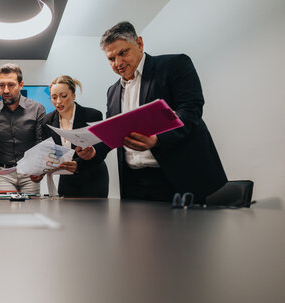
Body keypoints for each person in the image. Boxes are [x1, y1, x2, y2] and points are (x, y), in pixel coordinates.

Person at [100, 21, 227, 203]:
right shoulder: (112, 91)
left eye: (123, 53)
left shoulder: (175, 64)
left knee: (188, 232)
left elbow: (190, 110)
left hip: (179, 176)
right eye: (111, 59)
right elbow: (113, 132)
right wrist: (91, 152)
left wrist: (158, 139)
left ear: (139, 44)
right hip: (134, 182)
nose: (118, 63)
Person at [30, 75, 110, 197]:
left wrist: (79, 165)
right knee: (65, 215)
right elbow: (48, 152)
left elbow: (102, 149)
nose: (58, 102)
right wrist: (40, 171)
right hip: (67, 180)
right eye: (54, 97)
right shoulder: (47, 121)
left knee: (95, 215)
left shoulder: (92, 115)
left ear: (73, 95)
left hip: (93, 176)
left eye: (63, 96)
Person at [0, 63, 45, 193]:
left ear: (21, 85)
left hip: (29, 172)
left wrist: (40, 168)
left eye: (11, 85)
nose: (6, 90)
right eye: (1, 85)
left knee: (32, 210)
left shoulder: (37, 109)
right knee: (4, 210)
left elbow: (40, 143)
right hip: (3, 174)